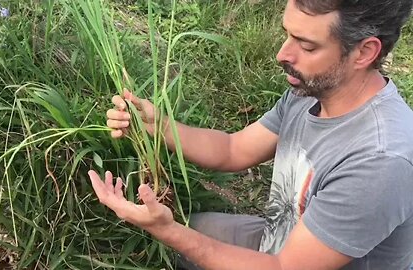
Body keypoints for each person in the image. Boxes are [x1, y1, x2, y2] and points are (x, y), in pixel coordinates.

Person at [88, 0, 413, 269]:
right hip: (279, 241)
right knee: (180, 241)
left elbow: (283, 268)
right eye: (287, 35)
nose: (283, 55)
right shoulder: (313, 91)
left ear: (364, 52)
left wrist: (166, 229)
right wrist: (158, 126)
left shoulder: (380, 160)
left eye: (307, 45)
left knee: (177, 239)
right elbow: (233, 149)